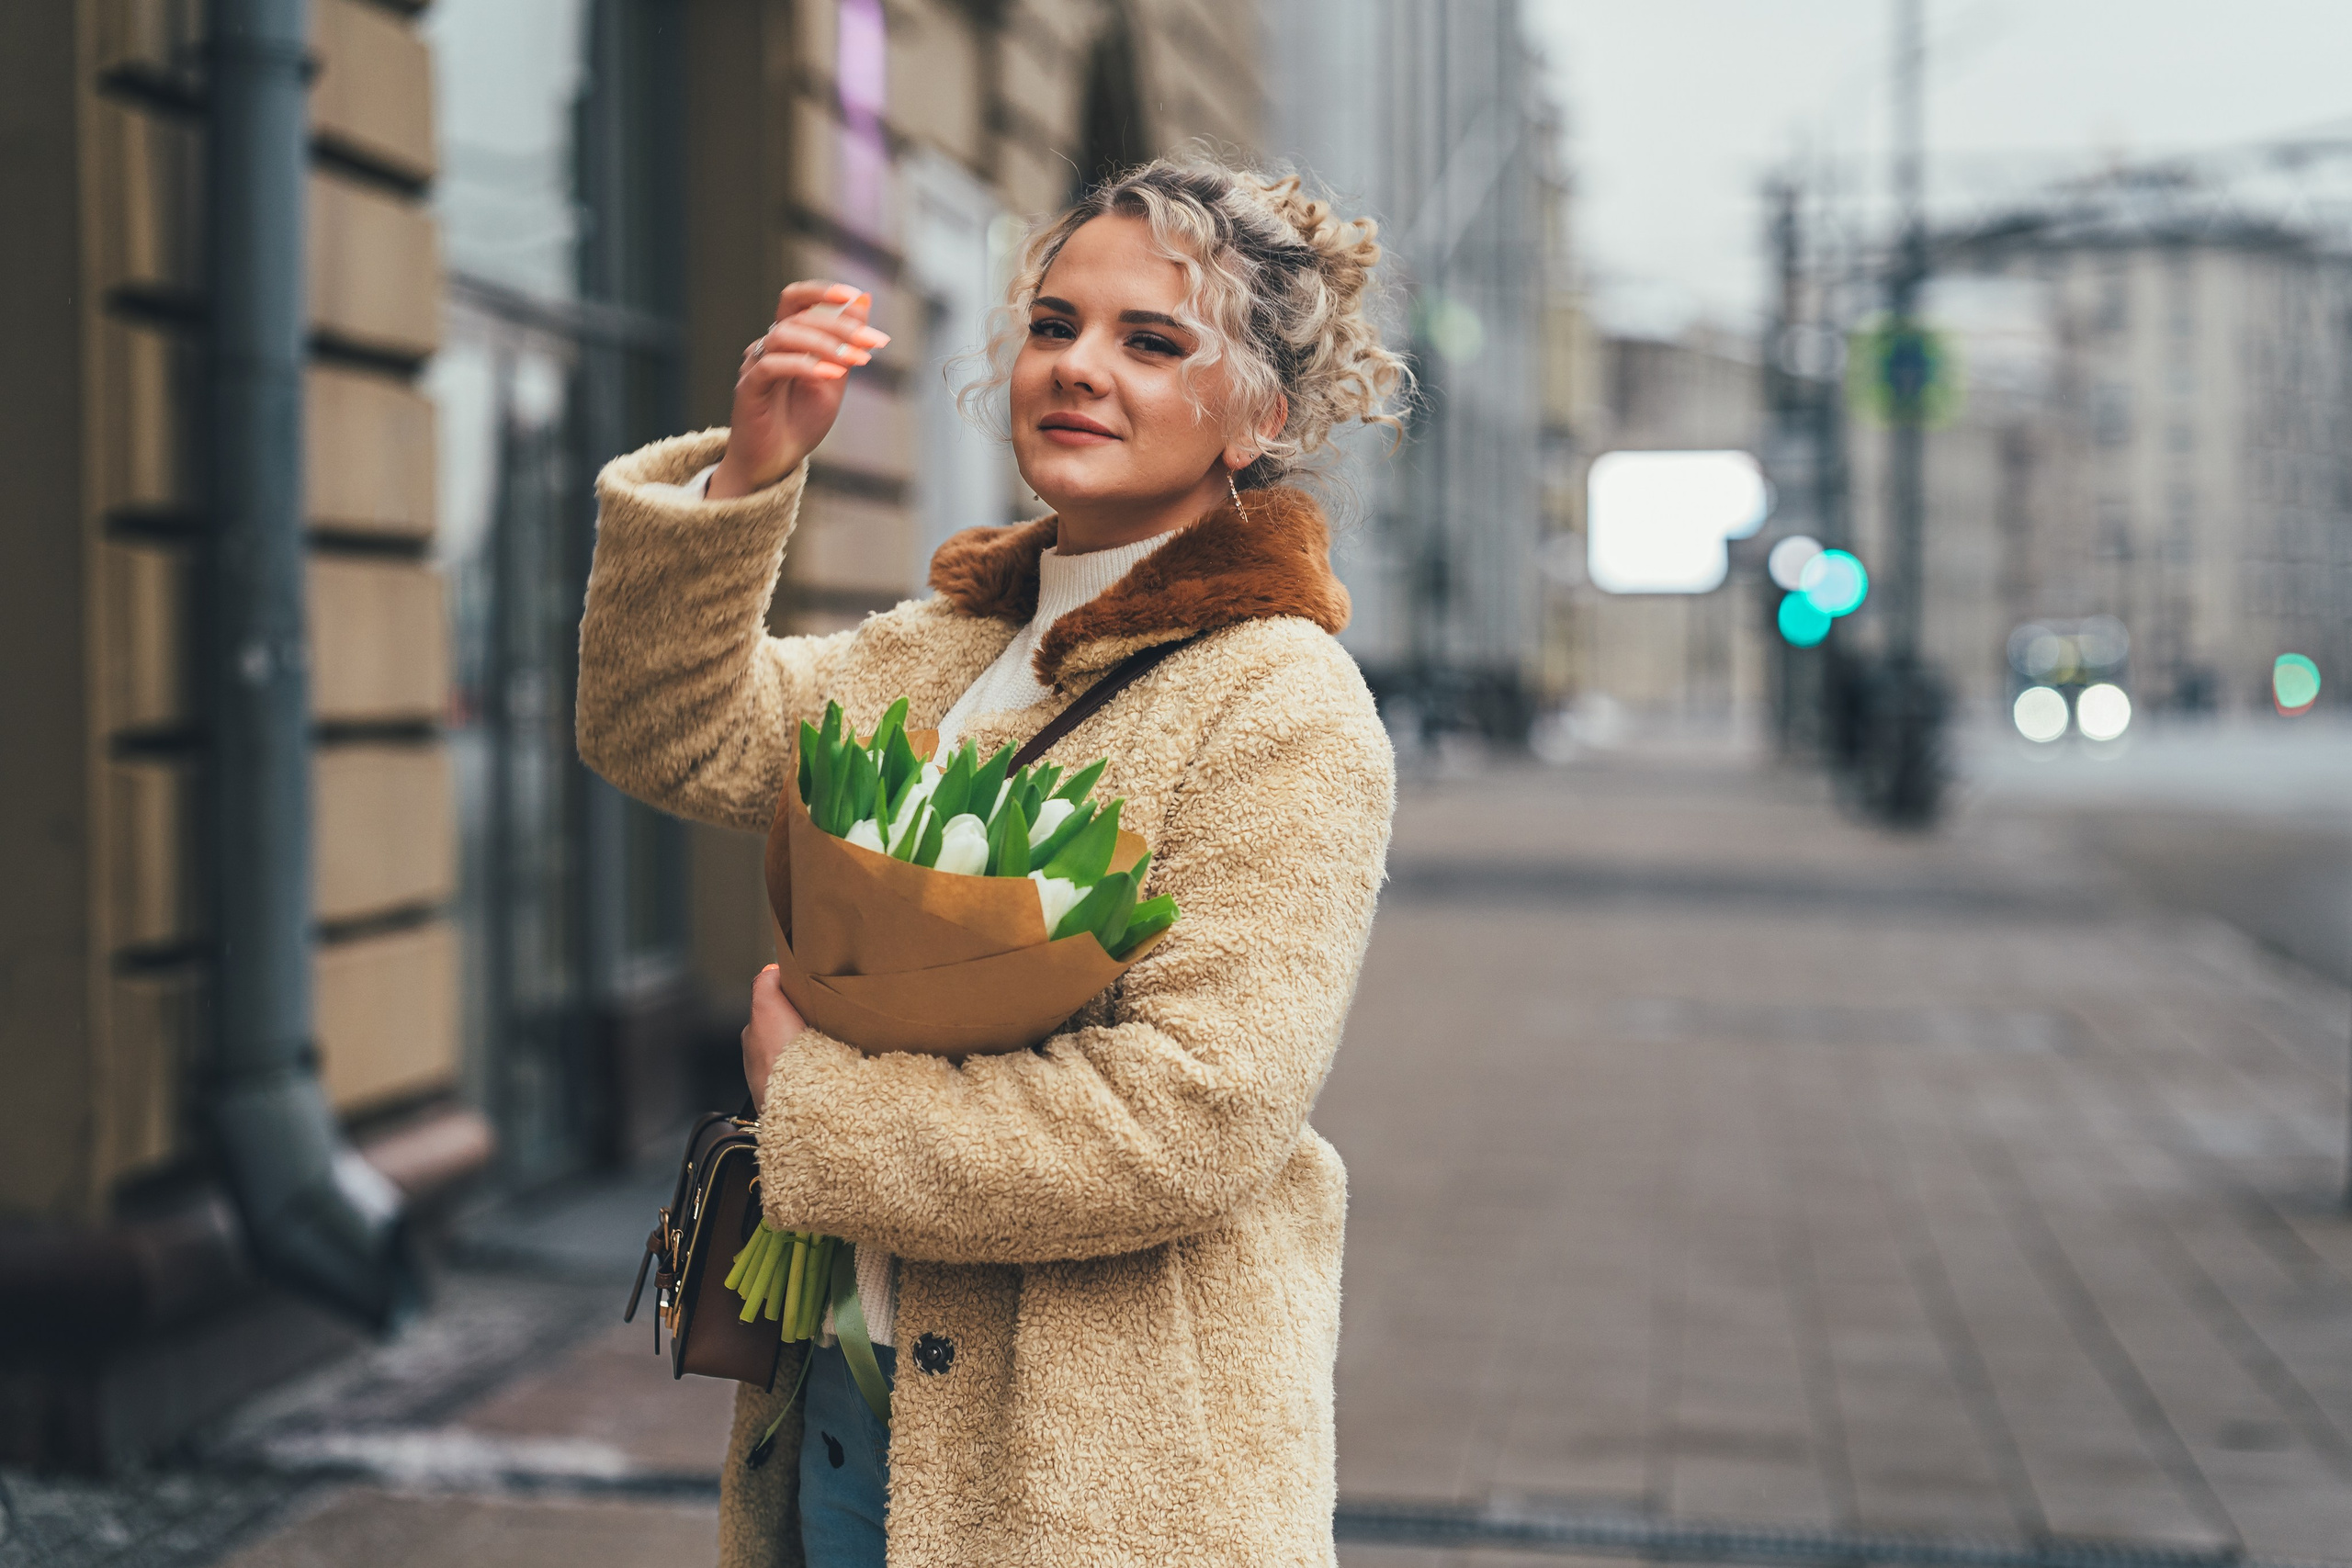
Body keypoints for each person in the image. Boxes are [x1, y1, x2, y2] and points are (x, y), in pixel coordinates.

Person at [576, 155, 1406, 1567]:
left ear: (1255, 415)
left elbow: (1190, 1118)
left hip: (1093, 1464)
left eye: (1152, 341)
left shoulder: (1281, 706)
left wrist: (816, 1107)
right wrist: (752, 470)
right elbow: (664, 731)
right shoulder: (935, 648)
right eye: (1054, 325)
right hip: (840, 1398)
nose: (1080, 368)